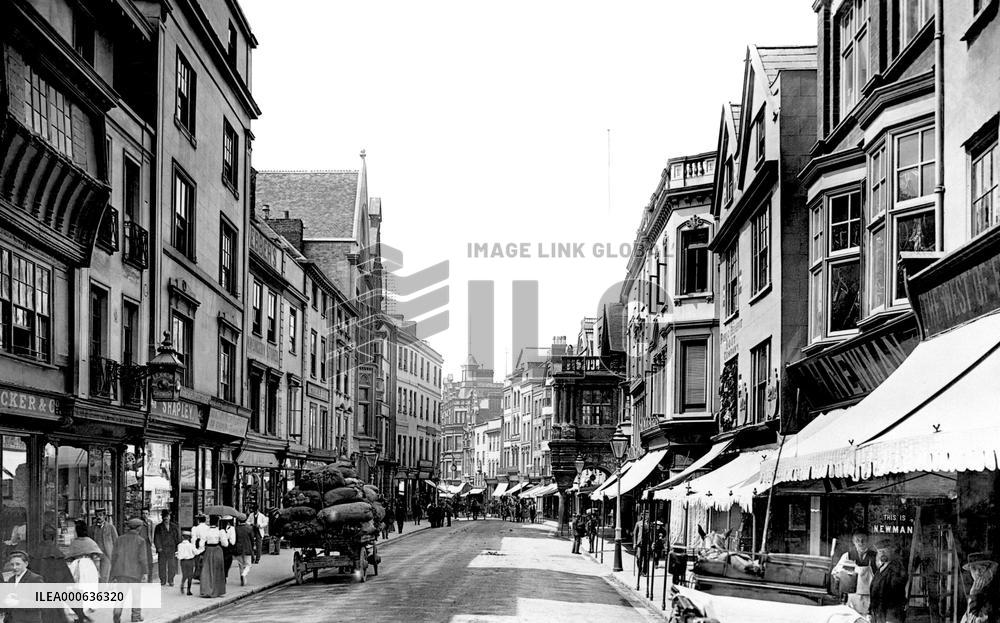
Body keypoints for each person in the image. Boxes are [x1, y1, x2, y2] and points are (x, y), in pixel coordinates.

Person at [31, 526, 89, 623]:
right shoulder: (57, 555)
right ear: (54, 537)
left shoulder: (33, 554)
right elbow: (66, 579)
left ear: (43, 536)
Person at [110, 518, 149, 623]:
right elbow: (142, 558)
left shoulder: (119, 539)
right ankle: (136, 616)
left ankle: (117, 614)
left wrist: (112, 574)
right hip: (135, 573)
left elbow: (114, 557)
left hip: (121, 573)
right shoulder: (141, 541)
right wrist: (145, 572)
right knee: (136, 596)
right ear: (138, 528)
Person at [832, 531, 878, 615]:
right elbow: (835, 572)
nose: (860, 543)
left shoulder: (875, 556)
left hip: (869, 595)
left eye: (863, 540)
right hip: (852, 595)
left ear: (868, 541)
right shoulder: (848, 556)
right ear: (853, 541)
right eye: (857, 540)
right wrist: (840, 576)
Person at [870, 541, 908, 623]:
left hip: (891, 615)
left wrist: (890, 619)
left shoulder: (897, 568)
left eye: (885, 551)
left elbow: (896, 595)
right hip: (879, 614)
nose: (882, 554)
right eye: (880, 551)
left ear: (892, 551)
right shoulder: (881, 569)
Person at [4, 550, 44, 623]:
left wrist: (18, 602)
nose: (14, 567)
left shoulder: (35, 579)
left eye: (17, 564)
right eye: (12, 564)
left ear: (26, 564)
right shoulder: (11, 579)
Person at [199, 516, 230, 598]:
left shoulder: (206, 531)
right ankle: (217, 590)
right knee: (217, 570)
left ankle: (207, 590)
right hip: (217, 550)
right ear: (217, 522)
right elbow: (225, 544)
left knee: (207, 570)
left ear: (209, 522)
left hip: (208, 550)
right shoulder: (221, 531)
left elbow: (201, 544)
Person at [153, 510, 180, 587]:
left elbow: (177, 537)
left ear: (169, 517)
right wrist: (159, 547)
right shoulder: (158, 527)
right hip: (162, 549)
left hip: (171, 549)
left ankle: (171, 580)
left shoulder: (174, 526)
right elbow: (156, 538)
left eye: (167, 516)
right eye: (164, 517)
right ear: (162, 518)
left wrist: (177, 547)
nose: (166, 518)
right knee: (162, 565)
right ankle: (163, 580)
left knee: (172, 565)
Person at [93, 509, 118, 583]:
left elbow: (116, 542)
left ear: (105, 516)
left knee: (104, 576)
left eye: (100, 515)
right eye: (97, 515)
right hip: (96, 555)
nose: (99, 517)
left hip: (107, 555)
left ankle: (102, 593)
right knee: (96, 576)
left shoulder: (110, 527)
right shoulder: (92, 528)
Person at [175, 531, 200, 595]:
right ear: (189, 538)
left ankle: (182, 585)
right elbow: (196, 552)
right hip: (190, 561)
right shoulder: (191, 545)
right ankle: (189, 590)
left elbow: (179, 555)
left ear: (182, 537)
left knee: (184, 575)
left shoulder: (179, 545)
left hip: (183, 561)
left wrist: (178, 555)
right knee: (190, 576)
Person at [233, 516, 254, 586]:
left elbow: (234, 539)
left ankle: (243, 581)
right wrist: (252, 547)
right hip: (247, 548)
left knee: (240, 565)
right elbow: (252, 540)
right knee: (248, 565)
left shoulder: (236, 529)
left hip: (238, 549)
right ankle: (244, 574)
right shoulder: (249, 528)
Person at [190, 514, 209, 581]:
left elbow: (193, 538)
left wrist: (193, 548)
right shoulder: (208, 528)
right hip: (206, 545)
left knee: (198, 561)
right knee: (205, 561)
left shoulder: (195, 528)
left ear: (198, 521)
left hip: (198, 545)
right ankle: (204, 575)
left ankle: (198, 574)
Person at [633, 511, 648, 576]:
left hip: (647, 543)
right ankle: (640, 570)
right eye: (645, 515)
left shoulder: (649, 524)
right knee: (639, 558)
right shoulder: (638, 523)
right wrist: (634, 543)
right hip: (640, 543)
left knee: (646, 559)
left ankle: (644, 572)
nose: (646, 516)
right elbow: (635, 534)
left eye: (647, 515)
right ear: (642, 516)